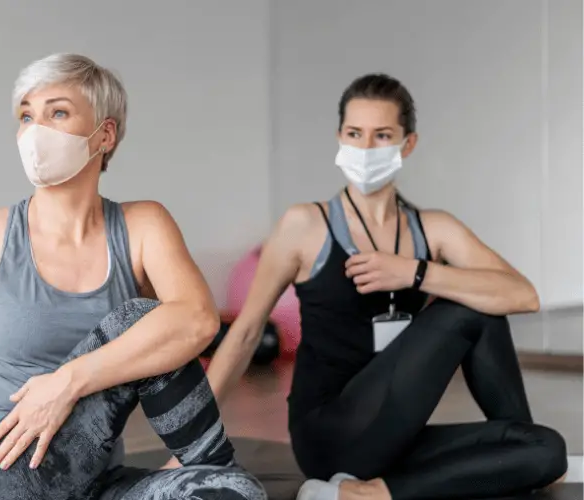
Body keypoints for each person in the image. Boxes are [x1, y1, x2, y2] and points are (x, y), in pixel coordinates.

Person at [201, 73, 568, 500]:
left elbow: (523, 295)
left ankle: (366, 493)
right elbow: (245, 333)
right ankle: (352, 485)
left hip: (395, 435)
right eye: (355, 134)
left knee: (546, 450)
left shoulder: (433, 228)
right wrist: (189, 443)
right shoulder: (305, 225)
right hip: (329, 435)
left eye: (382, 135)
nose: (366, 148)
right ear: (340, 137)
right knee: (468, 306)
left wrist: (415, 272)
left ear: (407, 144)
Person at [0, 53, 266, 500]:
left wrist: (68, 382)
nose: (35, 130)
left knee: (236, 492)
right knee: (139, 319)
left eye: (57, 112)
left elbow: (198, 321)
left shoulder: (143, 225)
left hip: (85, 478)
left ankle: (210, 467)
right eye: (27, 115)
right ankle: (211, 463)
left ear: (105, 134)